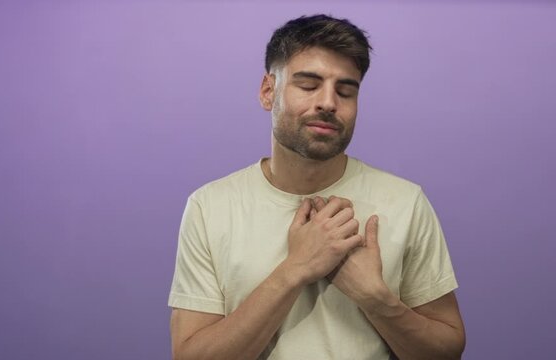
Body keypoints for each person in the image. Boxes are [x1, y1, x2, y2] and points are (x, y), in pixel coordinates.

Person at [168, 14, 465, 360]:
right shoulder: (209, 207)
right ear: (268, 91)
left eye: (345, 90)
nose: (328, 102)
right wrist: (295, 270)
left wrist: (374, 298)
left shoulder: (405, 202)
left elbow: (447, 350)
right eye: (308, 85)